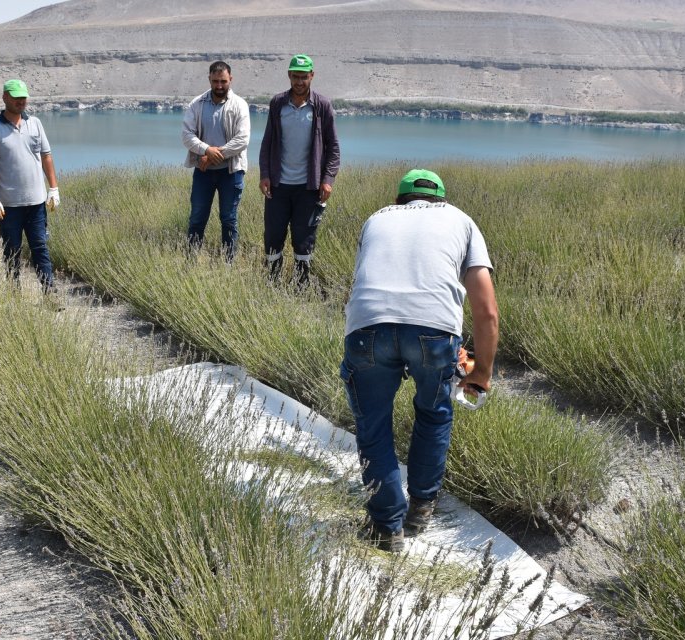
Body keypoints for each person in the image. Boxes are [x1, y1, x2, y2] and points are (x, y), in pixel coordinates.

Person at [340, 169, 499, 553]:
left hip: (367, 328)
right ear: (441, 201)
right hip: (435, 332)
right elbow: (487, 311)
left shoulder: (376, 218)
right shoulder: (461, 220)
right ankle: (421, 509)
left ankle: (386, 527)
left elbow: (365, 281)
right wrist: (481, 372)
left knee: (372, 426)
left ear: (399, 201)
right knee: (433, 413)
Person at [258, 54, 340, 285]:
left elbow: (333, 147)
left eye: (304, 77)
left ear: (312, 76)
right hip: (278, 186)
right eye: (296, 76)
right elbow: (267, 142)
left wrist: (328, 180)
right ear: (289, 76)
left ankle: (301, 284)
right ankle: (272, 283)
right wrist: (265, 174)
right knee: (273, 236)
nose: (299, 82)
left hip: (308, 187)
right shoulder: (277, 103)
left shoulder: (322, 105)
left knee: (304, 239)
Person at [0, 79, 61, 289]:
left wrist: (53, 188)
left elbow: (46, 156)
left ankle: (49, 292)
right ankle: (14, 294)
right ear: (5, 97)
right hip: (9, 206)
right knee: (12, 250)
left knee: (40, 248)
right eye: (16, 97)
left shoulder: (35, 123)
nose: (20, 101)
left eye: (23, 97)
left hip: (36, 203)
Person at [181, 60, 251, 261]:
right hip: (203, 173)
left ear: (231, 79)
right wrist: (205, 149)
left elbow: (242, 140)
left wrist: (211, 155)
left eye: (223, 81)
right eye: (215, 81)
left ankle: (228, 264)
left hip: (231, 172)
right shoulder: (197, 104)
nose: (219, 86)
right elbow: (187, 135)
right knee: (197, 218)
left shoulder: (239, 105)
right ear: (209, 79)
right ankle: (190, 262)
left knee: (228, 219)